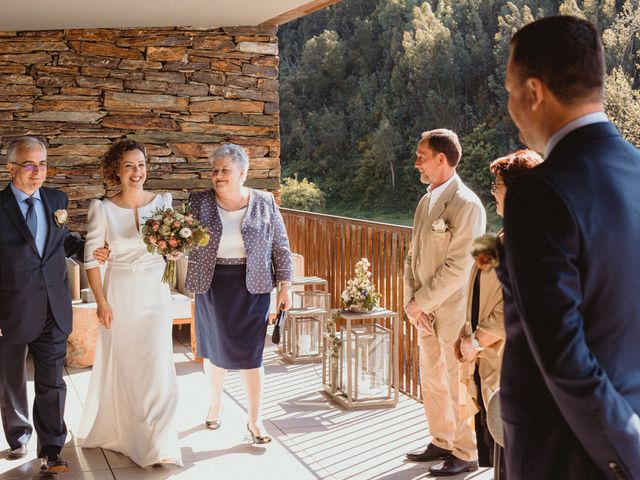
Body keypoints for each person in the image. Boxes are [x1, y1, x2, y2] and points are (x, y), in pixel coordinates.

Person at [500, 15, 640, 479]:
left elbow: (564, 355)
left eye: (509, 91)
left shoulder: (538, 193)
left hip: (568, 454)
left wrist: (631, 451)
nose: (510, 107)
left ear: (535, 92)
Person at [77, 139, 182, 467]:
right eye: (129, 166)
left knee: (156, 365)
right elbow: (91, 260)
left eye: (141, 165)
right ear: (116, 172)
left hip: (155, 293)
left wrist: (176, 251)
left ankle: (156, 440)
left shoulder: (163, 202)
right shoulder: (103, 209)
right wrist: (101, 303)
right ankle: (127, 433)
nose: (137, 172)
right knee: (128, 368)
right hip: (120, 294)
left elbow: (171, 248)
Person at [185, 143, 292, 444]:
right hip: (213, 285)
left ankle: (255, 420)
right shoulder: (199, 202)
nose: (218, 176)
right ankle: (215, 404)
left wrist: (285, 286)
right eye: (215, 170)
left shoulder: (265, 201)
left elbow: (280, 246)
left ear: (243, 173)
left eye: (225, 170)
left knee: (251, 355)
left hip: (253, 286)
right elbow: (183, 240)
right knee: (215, 351)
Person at [0, 137, 93, 474]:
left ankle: (52, 448)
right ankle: (18, 436)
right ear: (11, 168)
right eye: (28, 164)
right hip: (10, 309)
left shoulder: (56, 199)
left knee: (53, 381)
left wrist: (90, 252)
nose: (37, 170)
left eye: (42, 163)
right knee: (11, 380)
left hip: (54, 305)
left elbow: (63, 241)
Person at [403, 129, 486, 476]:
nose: (417, 161)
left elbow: (459, 267)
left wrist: (421, 302)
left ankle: (466, 452)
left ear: (442, 159)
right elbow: (412, 256)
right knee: (432, 378)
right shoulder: (426, 202)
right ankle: (441, 439)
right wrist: (411, 302)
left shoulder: (467, 204)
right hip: (424, 312)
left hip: (453, 311)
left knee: (457, 381)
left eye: (422, 155)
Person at [455, 149, 542, 468]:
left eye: (499, 185)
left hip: (505, 367)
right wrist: (466, 336)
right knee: (499, 457)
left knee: (511, 459)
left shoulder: (527, 240)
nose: (493, 191)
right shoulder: (510, 234)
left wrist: (476, 343)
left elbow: (513, 307)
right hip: (487, 361)